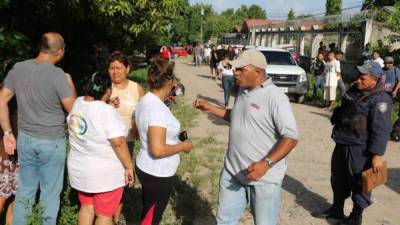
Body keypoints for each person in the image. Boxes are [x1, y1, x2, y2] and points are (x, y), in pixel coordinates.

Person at [193, 49, 298, 225]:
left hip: (263, 178)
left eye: (241, 69)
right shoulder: (243, 90)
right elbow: (237, 116)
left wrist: (266, 164)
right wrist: (211, 108)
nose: (236, 73)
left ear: (258, 71)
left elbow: (291, 137)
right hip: (232, 171)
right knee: (224, 221)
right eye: (235, 69)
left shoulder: (276, 97)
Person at [0, 32, 75, 225]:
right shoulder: (58, 75)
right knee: (49, 194)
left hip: (25, 139)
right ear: (60, 51)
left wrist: (8, 132)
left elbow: (1, 99)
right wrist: (70, 82)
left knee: (25, 191)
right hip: (52, 141)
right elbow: (73, 110)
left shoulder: (18, 69)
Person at [312, 61, 392, 225]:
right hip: (342, 141)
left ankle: (356, 217)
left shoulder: (380, 99)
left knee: (359, 182)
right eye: (358, 77)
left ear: (374, 80)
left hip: (360, 148)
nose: (358, 80)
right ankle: (337, 209)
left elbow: (381, 130)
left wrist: (376, 156)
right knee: (338, 178)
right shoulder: (355, 89)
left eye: (363, 78)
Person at [67, 73, 134, 225]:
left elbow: (90, 119)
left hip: (80, 170)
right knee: (104, 215)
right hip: (105, 176)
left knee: (86, 208)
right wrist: (129, 166)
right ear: (108, 91)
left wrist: (106, 105)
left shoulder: (77, 103)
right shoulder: (106, 112)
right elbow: (118, 142)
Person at [135, 58, 193, 225]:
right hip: (157, 172)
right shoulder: (157, 110)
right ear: (169, 81)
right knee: (151, 218)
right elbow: (158, 150)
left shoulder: (146, 99)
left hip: (146, 165)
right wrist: (183, 146)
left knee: (148, 212)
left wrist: (173, 136)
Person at [107, 52, 145, 224]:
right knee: (107, 180)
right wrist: (106, 103)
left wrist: (138, 125)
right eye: (111, 68)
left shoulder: (136, 88)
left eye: (119, 68)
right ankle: (105, 213)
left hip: (127, 142)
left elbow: (144, 112)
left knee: (124, 179)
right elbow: (92, 111)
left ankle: (116, 214)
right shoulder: (105, 87)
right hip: (105, 143)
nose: (115, 72)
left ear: (127, 69)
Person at [0, 60, 18, 225]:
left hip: (19, 153)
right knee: (3, 197)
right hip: (5, 151)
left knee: (15, 199)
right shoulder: (5, 93)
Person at [380, 56, 400, 141]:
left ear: (392, 63)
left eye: (389, 63)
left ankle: (387, 130)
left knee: (387, 111)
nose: (388, 65)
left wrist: (395, 91)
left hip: (391, 94)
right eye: (386, 63)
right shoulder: (382, 70)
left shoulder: (395, 70)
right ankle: (381, 129)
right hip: (381, 93)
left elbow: (399, 81)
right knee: (381, 111)